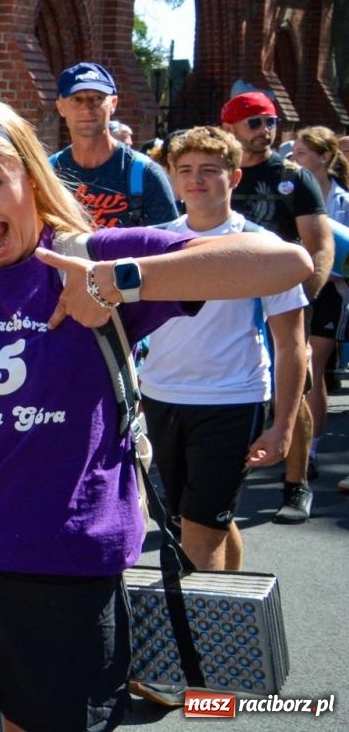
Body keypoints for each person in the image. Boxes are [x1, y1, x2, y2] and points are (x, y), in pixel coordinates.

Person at [0, 95, 309, 731]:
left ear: (30, 171)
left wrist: (117, 282)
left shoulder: (93, 254)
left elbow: (285, 264)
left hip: (65, 575)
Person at [139, 127, 306, 576]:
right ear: (172, 178)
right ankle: (231, 600)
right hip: (161, 397)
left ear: (233, 178)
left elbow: (292, 347)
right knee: (194, 520)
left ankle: (198, 641)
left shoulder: (265, 248)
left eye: (209, 170)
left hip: (231, 400)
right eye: (186, 170)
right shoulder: (154, 243)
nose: (197, 180)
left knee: (197, 534)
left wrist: (284, 428)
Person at [222, 91, 332, 524]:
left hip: (281, 303)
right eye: (254, 122)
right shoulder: (220, 173)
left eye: (270, 122)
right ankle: (221, 481)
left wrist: (299, 302)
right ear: (229, 125)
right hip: (226, 303)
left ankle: (296, 484)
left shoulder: (292, 176)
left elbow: (319, 247)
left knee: (293, 392)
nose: (264, 131)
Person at [287, 125, 349, 486]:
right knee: (295, 365)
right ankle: (290, 440)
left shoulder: (342, 200)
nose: (295, 160)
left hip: (332, 291)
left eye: (303, 154)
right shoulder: (290, 191)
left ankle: (309, 450)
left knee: (313, 363)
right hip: (291, 285)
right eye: (294, 153)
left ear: (324, 158)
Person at [49, 61, 177, 229]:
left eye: (96, 98)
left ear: (113, 104)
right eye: (76, 99)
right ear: (60, 107)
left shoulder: (145, 174)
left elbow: (169, 245)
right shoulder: (48, 173)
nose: (86, 108)